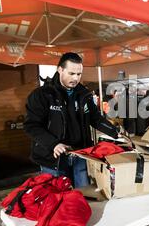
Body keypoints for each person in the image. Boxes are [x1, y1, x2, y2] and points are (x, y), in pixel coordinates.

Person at [24, 52, 120, 188]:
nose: (75, 78)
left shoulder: (83, 94)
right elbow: (31, 126)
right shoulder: (42, 95)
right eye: (71, 73)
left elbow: (95, 118)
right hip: (54, 159)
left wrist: (116, 132)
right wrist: (54, 144)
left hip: (80, 155)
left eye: (79, 74)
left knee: (84, 194)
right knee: (59, 198)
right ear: (60, 70)